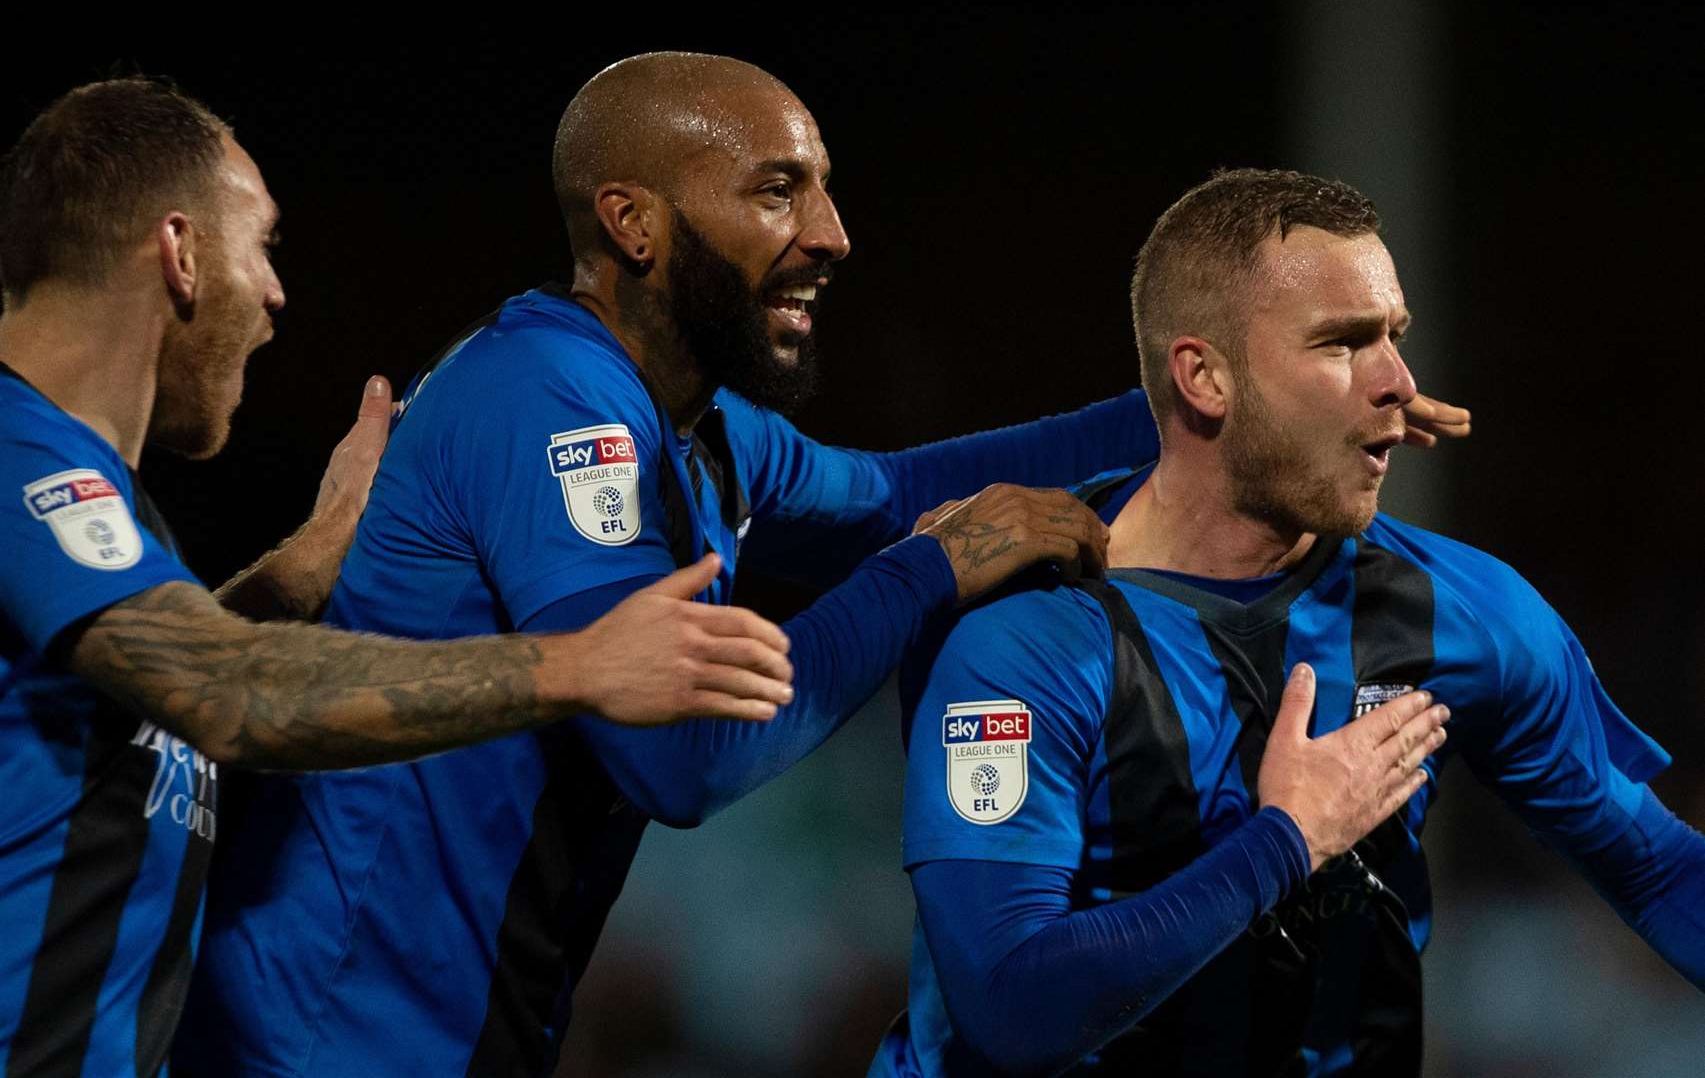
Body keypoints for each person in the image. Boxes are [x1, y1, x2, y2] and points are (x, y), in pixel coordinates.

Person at [176, 57, 1469, 1075]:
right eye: (776, 189)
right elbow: (681, 756)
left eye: (825, 185)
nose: (833, 231)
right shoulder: (550, 404)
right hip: (329, 1039)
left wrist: (1253, 398)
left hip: (436, 1032)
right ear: (632, 220)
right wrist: (925, 576)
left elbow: (898, 489)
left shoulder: (699, 428)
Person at [0, 76, 799, 1077]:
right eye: (265, 245)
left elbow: (133, 696)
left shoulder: (85, 509)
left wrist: (303, 564)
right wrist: (573, 666)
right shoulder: (18, 454)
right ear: (181, 251)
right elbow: (222, 690)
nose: (278, 291)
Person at [872, 167, 1705, 1077]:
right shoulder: (1026, 636)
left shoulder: (1464, 612)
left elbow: (1659, 870)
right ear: (1204, 377)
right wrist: (1290, 840)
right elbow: (1011, 1006)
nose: (1398, 381)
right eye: (1343, 343)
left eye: (1395, 336)